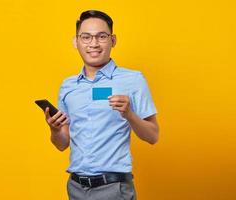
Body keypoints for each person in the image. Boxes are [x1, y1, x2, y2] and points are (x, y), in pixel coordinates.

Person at [44, 10, 159, 200]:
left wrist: (129, 114)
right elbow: (62, 144)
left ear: (113, 40)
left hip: (114, 188)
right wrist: (55, 130)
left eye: (102, 36)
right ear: (76, 42)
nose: (94, 44)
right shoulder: (68, 86)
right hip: (76, 188)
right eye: (86, 37)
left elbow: (153, 135)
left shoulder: (133, 79)